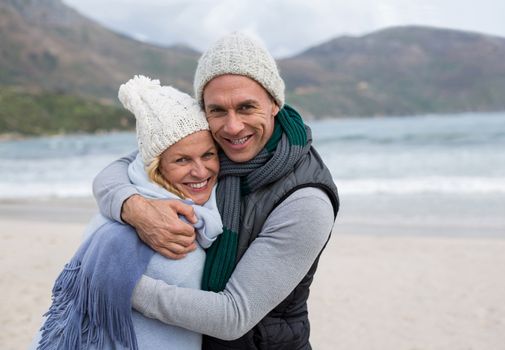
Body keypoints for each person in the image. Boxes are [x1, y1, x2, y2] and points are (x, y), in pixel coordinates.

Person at [93, 32, 340, 349]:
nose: (233, 127)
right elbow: (118, 170)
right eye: (218, 110)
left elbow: (233, 316)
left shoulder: (306, 201)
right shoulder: (208, 145)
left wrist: (119, 282)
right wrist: (135, 208)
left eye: (247, 107)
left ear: (275, 103)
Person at [32, 75, 223, 349]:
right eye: (182, 160)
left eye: (208, 155)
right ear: (156, 166)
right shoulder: (158, 226)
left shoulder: (134, 195)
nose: (201, 171)